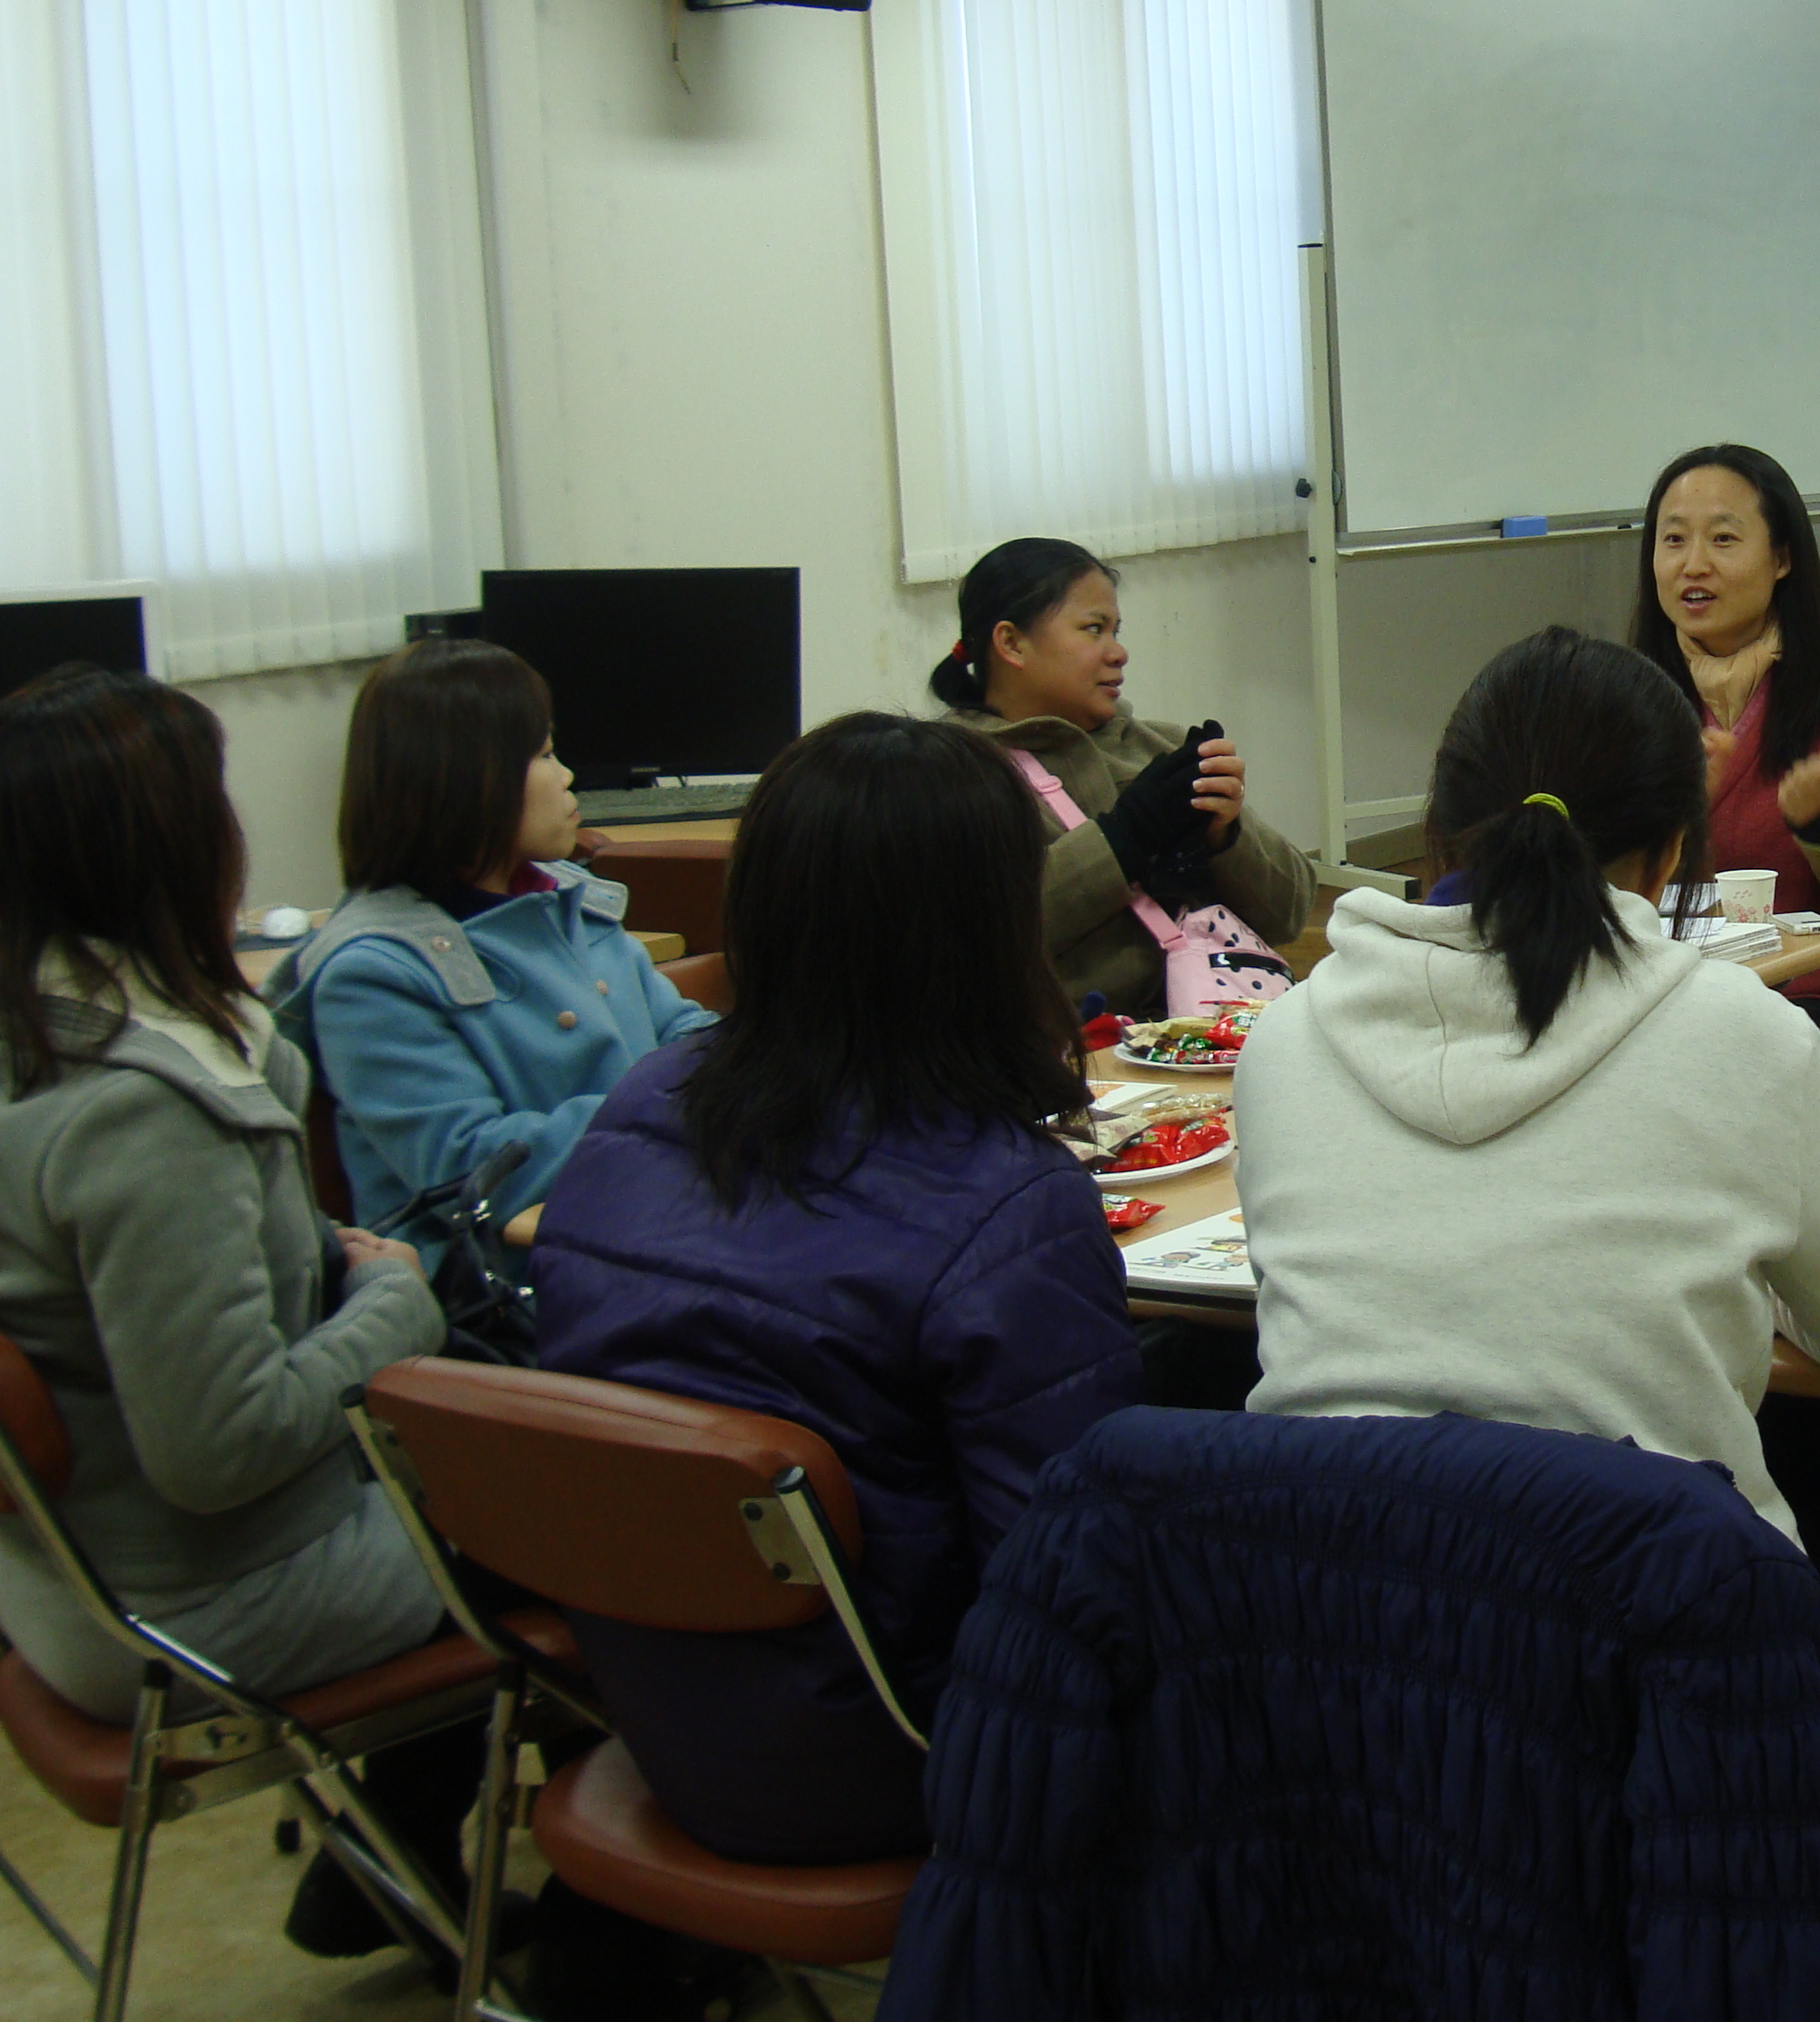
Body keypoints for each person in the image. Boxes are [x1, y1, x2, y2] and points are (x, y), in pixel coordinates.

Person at [0, 663, 461, 1959]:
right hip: (206, 1601)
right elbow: (220, 1449)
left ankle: (394, 1863)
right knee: (596, 1526)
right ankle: (607, 1932)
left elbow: (75, 1281)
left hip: (57, 1582)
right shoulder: (147, 1112)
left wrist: (302, 1244)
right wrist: (390, 1302)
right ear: (167, 844)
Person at [534, 712, 1143, 1865]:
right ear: (989, 930)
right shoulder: (1004, 1201)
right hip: (906, 1758)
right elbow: (1078, 1599)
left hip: (660, 1722)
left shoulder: (640, 1108)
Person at [1240, 624, 1820, 1545]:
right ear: (1672, 855)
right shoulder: (1736, 1034)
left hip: (1322, 1634)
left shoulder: (1283, 1043)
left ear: (1437, 827)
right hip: (1653, 1643)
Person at [268, 639, 709, 1257]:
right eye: (547, 754)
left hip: (653, 1226)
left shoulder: (571, 901)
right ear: (470, 779)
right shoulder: (372, 972)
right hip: (514, 1291)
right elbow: (475, 1168)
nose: (568, 777)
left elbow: (686, 1033)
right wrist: (685, 1104)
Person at [1629, 444, 1820, 1102]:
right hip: (1651, 997)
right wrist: (1668, 823)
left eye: (1724, 539)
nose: (1693, 564)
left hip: (1814, 1007)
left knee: (1723, 1086)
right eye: (1672, 539)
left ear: (1784, 558)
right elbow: (1584, 882)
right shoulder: (1618, 700)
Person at [929, 537, 1314, 1024]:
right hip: (1064, 1056)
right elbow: (970, 935)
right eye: (1094, 630)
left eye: (1116, 630)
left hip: (1199, 1035)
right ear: (1010, 643)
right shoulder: (945, 771)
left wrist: (1224, 836)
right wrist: (1123, 839)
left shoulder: (1160, 745)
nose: (1119, 653)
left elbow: (1292, 913)